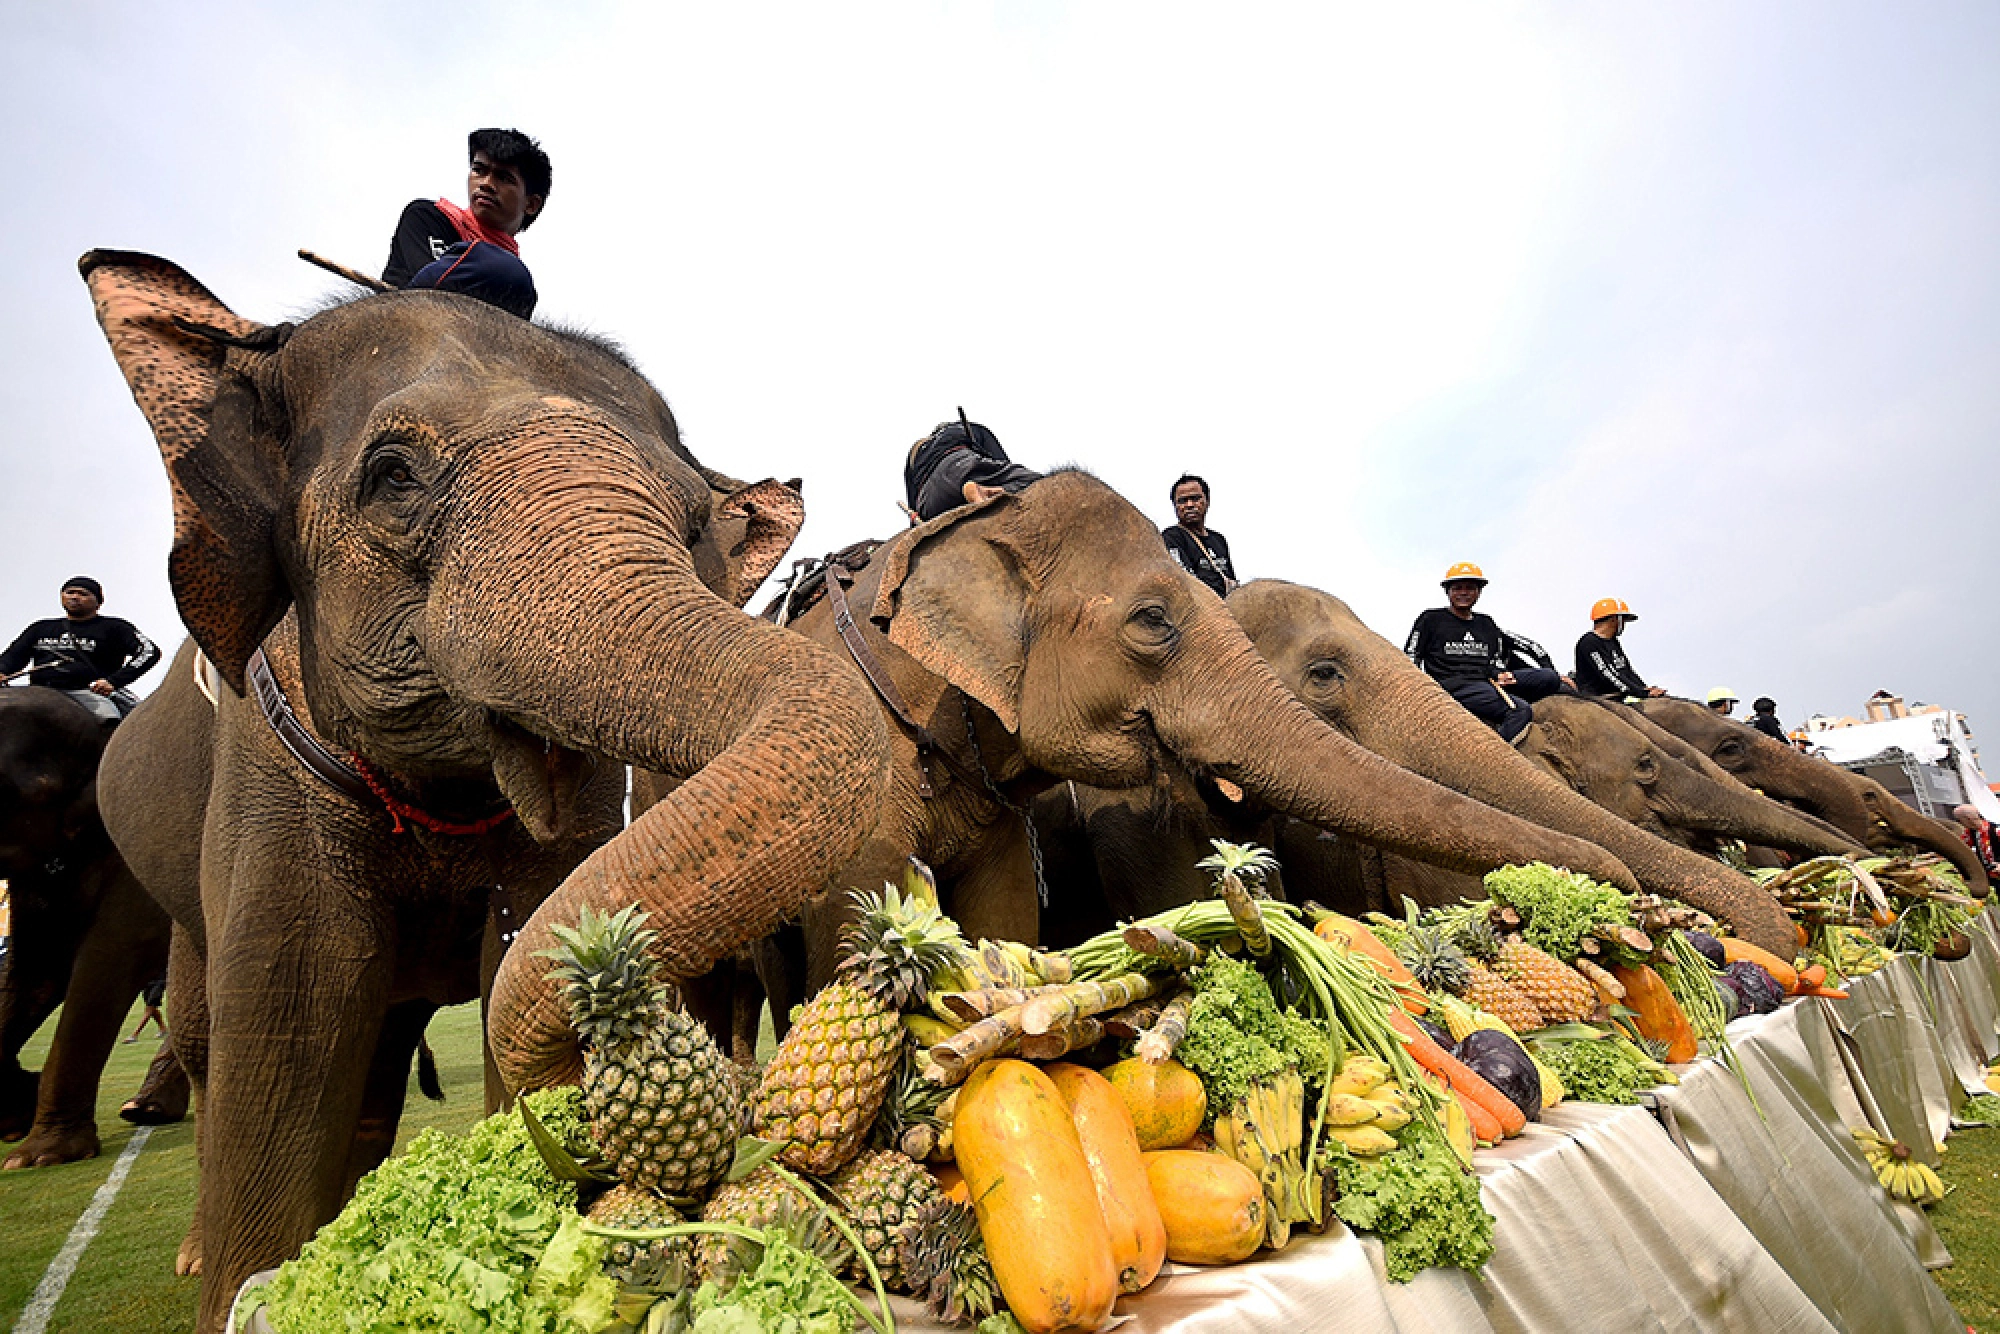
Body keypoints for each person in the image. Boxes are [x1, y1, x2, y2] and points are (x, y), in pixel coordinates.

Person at [382, 128, 551, 319]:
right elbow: (429, 295)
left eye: (503, 178)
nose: (486, 183)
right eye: (479, 170)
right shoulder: (428, 217)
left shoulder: (521, 289)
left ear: (531, 204)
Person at [1404, 563, 1571, 741]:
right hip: (1454, 685)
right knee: (1520, 711)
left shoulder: (1486, 623)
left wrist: (1501, 674)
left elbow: (1495, 658)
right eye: (1457, 588)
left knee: (1549, 677)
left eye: (1470, 588)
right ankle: (1493, 758)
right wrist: (1417, 690)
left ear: (1479, 592)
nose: (1463, 592)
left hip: (1487, 681)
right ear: (1448, 591)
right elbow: (1411, 654)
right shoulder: (1431, 619)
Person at [1, 577, 161, 722]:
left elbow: (148, 651)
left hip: (87, 693)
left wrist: (113, 682)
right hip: (39, 689)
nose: (74, 597)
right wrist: (2, 670)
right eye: (69, 592)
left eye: (83, 594)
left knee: (110, 720)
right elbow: (13, 656)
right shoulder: (40, 628)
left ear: (98, 602)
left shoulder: (114, 627)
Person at [902, 416, 1043, 522]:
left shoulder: (915, 453)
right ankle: (985, 491)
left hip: (929, 502)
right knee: (1035, 481)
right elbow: (1000, 461)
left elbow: (912, 503)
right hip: (961, 468)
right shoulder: (968, 428)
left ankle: (976, 495)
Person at [1572, 597, 1666, 700]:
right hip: (1598, 699)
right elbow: (1607, 674)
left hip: (1618, 696)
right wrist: (1641, 693)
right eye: (1624, 620)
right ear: (1614, 620)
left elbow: (1626, 670)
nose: (1624, 625)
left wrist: (1644, 688)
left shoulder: (1613, 642)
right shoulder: (1588, 642)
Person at [1162, 475, 1237, 597]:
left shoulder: (1218, 539)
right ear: (1175, 506)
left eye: (1195, 498)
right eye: (1182, 501)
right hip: (1199, 609)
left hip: (1226, 607)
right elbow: (1184, 580)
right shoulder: (1172, 537)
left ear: (1207, 501)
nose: (1189, 505)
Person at [1955, 805, 2000, 878]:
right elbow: (1958, 846)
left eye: (1959, 820)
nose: (1959, 823)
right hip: (1987, 875)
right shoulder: (1969, 833)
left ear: (1968, 819)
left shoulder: (1995, 830)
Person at [125, 975, 167, 1044]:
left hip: (159, 982)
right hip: (148, 983)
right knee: (152, 1009)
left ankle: (134, 1035)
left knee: (149, 1008)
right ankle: (163, 1028)